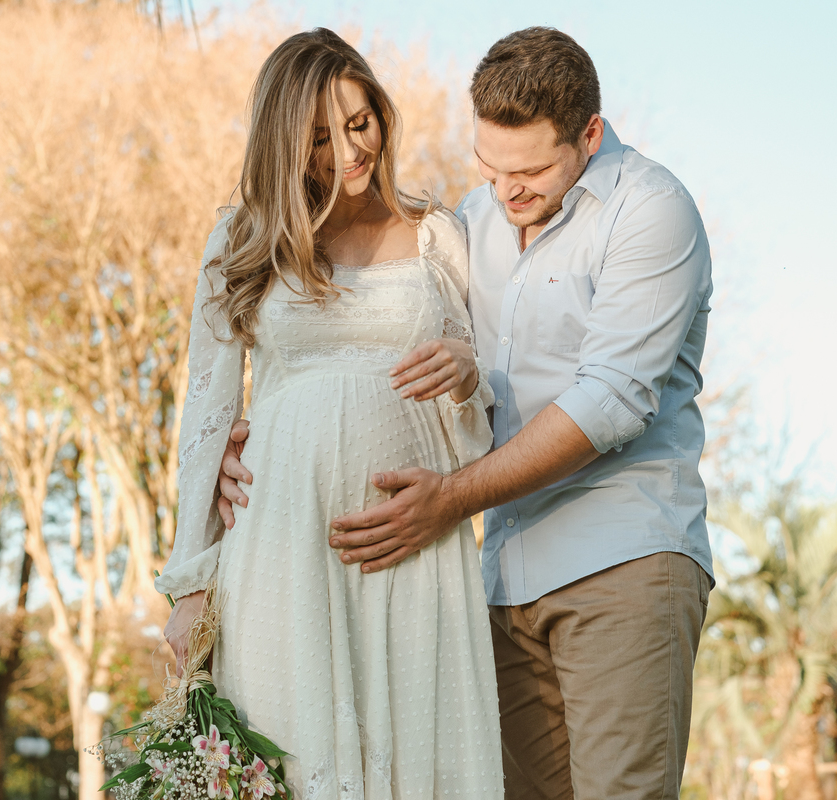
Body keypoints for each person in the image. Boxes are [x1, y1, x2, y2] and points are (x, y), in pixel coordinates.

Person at [219, 27, 714, 800]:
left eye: (531, 171)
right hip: (502, 580)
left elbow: (611, 402)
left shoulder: (650, 211)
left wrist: (450, 498)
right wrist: (262, 435)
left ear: (590, 135)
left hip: (619, 560)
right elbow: (433, 354)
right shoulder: (473, 221)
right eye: (490, 165)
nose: (507, 191)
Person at [156, 28, 505, 799]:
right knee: (290, 762)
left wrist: (465, 378)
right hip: (282, 551)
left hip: (414, 556)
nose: (350, 152)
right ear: (283, 144)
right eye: (319, 138)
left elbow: (475, 443)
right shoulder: (241, 238)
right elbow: (207, 417)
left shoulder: (436, 235)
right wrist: (191, 587)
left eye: (359, 123)